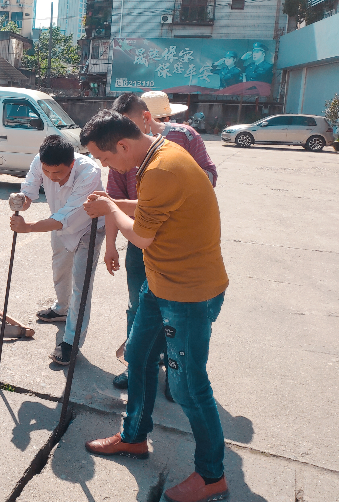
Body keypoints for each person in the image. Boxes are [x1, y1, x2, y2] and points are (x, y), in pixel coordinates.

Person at [81, 110, 229, 502]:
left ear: (124, 145)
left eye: (106, 157)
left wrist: (110, 209)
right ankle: (133, 436)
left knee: (188, 388)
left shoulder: (161, 169)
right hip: (160, 283)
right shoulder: (157, 156)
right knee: (139, 356)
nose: (105, 165)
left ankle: (212, 475)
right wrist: (114, 201)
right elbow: (149, 212)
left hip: (187, 294)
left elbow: (142, 236)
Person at [108, 91, 219, 396]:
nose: (123, 138)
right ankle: (138, 366)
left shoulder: (182, 140)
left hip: (176, 244)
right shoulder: (120, 149)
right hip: (139, 237)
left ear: (147, 118)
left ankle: (176, 375)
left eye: (129, 125)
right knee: (139, 305)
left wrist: (168, 194)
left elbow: (209, 175)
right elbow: (113, 198)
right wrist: (110, 243)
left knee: (177, 315)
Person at [8, 135, 105, 365]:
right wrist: (20, 201)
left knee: (81, 286)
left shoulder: (89, 172)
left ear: (72, 164)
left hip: (88, 227)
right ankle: (61, 309)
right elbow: (30, 193)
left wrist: (28, 227)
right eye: (47, 172)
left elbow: (66, 218)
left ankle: (71, 342)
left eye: (58, 173)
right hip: (58, 224)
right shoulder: (40, 161)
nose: (52, 177)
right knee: (60, 269)